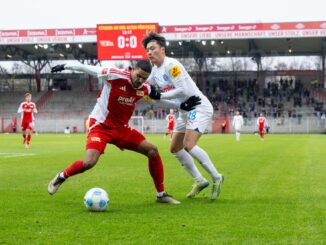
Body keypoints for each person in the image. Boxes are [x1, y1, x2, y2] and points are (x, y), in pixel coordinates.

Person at [48, 60, 198, 204]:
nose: (140, 80)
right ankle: (61, 176)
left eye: (144, 78)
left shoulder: (144, 87)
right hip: (101, 126)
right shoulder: (115, 75)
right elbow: (86, 68)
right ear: (132, 69)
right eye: (138, 75)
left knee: (152, 151)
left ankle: (161, 195)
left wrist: (182, 105)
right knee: (89, 163)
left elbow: (158, 100)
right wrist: (65, 66)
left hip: (121, 129)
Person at [142, 32, 224, 200]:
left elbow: (184, 91)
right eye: (147, 50)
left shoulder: (172, 65)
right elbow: (148, 90)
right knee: (175, 148)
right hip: (184, 109)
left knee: (188, 144)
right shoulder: (155, 71)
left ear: (162, 50)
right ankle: (200, 180)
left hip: (198, 106)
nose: (149, 53)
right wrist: (145, 91)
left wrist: (160, 95)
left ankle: (216, 177)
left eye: (153, 48)